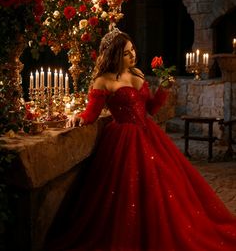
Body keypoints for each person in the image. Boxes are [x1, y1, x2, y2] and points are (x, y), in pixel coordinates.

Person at [45, 28, 236, 251]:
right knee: (128, 193)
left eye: (133, 50)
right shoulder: (103, 81)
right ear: (115, 55)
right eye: (126, 53)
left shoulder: (137, 74)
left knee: (167, 186)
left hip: (148, 133)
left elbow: (151, 109)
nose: (133, 55)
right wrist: (77, 118)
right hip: (123, 139)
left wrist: (164, 90)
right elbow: (91, 114)